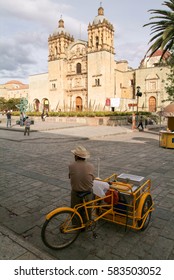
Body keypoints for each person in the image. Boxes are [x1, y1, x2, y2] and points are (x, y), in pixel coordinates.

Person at [69, 145, 95, 223]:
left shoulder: (71, 166)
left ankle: (76, 225)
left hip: (75, 192)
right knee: (87, 210)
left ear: (76, 156)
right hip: (87, 192)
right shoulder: (91, 166)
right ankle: (87, 222)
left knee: (75, 210)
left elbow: (71, 177)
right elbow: (91, 178)